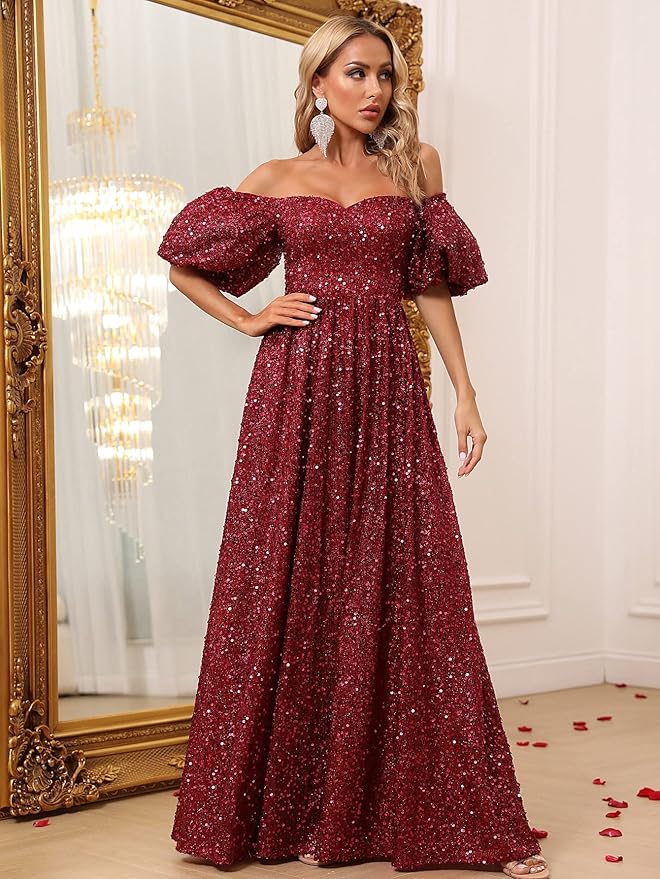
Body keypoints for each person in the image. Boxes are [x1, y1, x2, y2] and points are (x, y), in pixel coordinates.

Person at [156, 14, 550, 879]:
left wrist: (465, 391)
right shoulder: (275, 177)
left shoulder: (416, 168)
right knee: (288, 572)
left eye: (385, 75)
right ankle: (288, 805)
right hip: (294, 393)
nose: (375, 90)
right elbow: (185, 265)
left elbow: (432, 283)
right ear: (318, 82)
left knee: (407, 572)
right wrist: (250, 316)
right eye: (357, 73)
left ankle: (426, 810)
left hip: (387, 388)